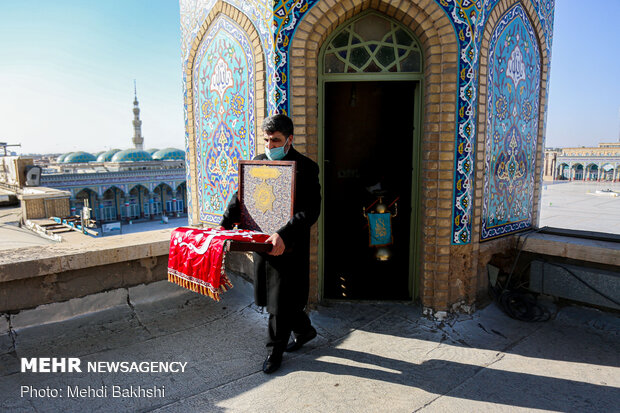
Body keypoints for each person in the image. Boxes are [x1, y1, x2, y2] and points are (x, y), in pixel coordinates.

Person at [219, 114, 321, 374]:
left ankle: (274, 353)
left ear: (289, 140)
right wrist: (223, 226)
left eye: (275, 140)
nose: (269, 145)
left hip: (289, 246)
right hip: (263, 243)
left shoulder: (307, 167)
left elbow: (311, 210)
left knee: (279, 303)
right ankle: (305, 330)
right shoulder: (258, 164)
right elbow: (239, 198)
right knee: (272, 295)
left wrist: (284, 234)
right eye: (266, 140)